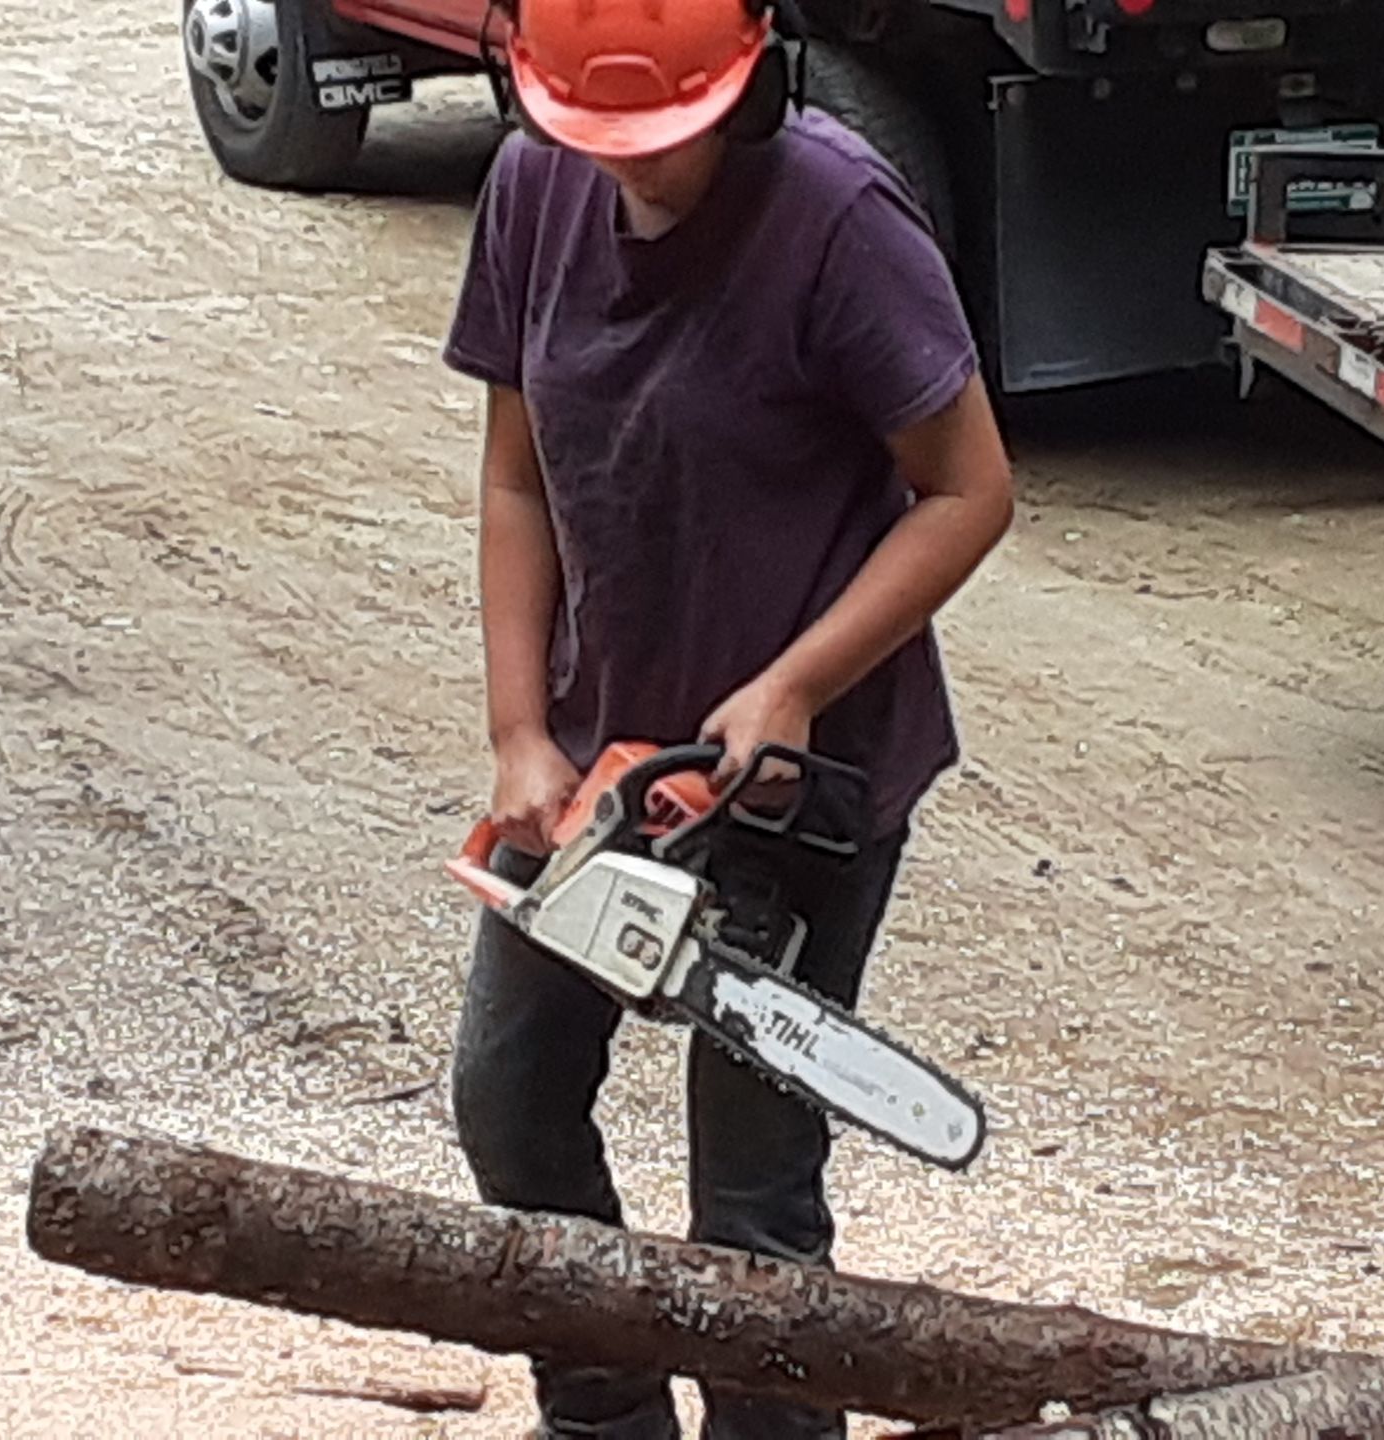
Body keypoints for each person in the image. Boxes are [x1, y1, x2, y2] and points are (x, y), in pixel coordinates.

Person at [439, 0, 1015, 1434]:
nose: (638, 167)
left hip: (794, 778)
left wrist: (798, 683)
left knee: (750, 1197)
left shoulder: (839, 218)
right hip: (605, 762)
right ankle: (602, 1414)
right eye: (601, 135)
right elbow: (517, 477)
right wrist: (523, 727)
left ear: (750, 84)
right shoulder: (532, 188)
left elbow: (971, 490)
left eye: (672, 135)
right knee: (507, 1096)